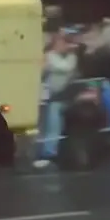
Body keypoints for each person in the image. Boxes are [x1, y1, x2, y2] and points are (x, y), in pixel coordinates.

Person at [38, 32, 79, 169]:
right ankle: (48, 151)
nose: (64, 45)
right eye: (61, 42)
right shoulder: (49, 56)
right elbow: (58, 68)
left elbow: (67, 67)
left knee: (55, 120)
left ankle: (51, 150)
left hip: (66, 94)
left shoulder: (71, 58)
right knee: (51, 121)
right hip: (51, 95)